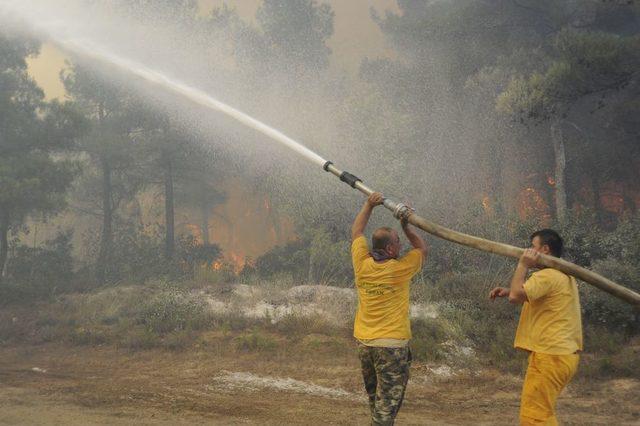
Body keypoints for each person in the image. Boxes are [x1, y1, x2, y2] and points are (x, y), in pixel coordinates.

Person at [489, 229, 582, 426]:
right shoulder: (562, 275)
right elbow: (520, 294)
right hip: (561, 355)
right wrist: (508, 291)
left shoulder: (547, 275)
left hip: (550, 356)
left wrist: (523, 264)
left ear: (545, 250)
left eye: (533, 246)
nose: (528, 250)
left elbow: (516, 297)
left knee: (534, 417)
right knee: (542, 414)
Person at [351, 192, 428, 425]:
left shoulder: (361, 264)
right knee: (386, 409)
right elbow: (422, 249)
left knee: (376, 402)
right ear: (391, 249)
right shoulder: (399, 270)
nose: (401, 245)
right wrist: (406, 227)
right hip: (391, 347)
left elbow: (356, 232)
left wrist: (368, 205)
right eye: (397, 242)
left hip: (365, 344)